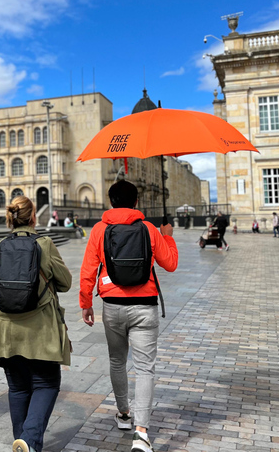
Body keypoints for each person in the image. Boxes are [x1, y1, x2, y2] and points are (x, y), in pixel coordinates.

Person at [80, 180, 178, 452]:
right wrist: (167, 235)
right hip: (145, 305)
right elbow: (170, 264)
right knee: (145, 367)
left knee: (116, 360)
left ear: (111, 201)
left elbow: (88, 269)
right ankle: (142, 432)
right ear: (136, 202)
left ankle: (123, 413)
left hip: (111, 304)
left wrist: (86, 303)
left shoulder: (100, 229)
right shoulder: (147, 229)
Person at [0, 196, 72, 452]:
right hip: (39, 331)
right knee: (46, 383)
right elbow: (65, 282)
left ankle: (24, 444)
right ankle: (29, 442)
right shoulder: (45, 243)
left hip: (5, 331)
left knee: (18, 388)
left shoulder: (0, 245)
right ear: (33, 217)